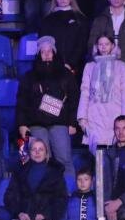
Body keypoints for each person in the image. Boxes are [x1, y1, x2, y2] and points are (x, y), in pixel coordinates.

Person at [17, 37, 79, 171]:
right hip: (36, 124)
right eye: (43, 52)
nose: (46, 54)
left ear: (54, 53)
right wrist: (22, 124)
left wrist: (73, 122)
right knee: (40, 162)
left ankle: (68, 191)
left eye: (49, 51)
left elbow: (74, 99)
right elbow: (22, 101)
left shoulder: (66, 74)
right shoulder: (29, 76)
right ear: (38, 54)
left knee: (64, 160)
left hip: (60, 123)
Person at [77, 34, 125, 152]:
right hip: (94, 116)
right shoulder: (90, 67)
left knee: (115, 159)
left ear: (112, 45)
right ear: (96, 46)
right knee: (96, 162)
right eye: (100, 44)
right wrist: (82, 118)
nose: (103, 47)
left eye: (106, 44)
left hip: (115, 115)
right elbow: (85, 93)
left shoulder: (122, 66)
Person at [41, 0, 91, 70]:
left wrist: (71, 64)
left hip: (75, 67)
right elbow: (44, 43)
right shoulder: (47, 20)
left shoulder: (81, 19)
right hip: (52, 67)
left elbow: (82, 44)